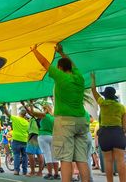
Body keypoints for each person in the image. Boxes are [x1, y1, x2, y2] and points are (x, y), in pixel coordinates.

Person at [31, 43, 89, 182]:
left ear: (60, 68)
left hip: (65, 122)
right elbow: (72, 64)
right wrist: (62, 53)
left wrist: (34, 51)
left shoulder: (61, 77)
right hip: (81, 121)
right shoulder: (79, 77)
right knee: (81, 158)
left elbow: (45, 63)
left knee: (65, 158)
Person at [91, 72, 126, 182]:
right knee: (121, 161)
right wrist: (123, 133)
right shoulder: (121, 107)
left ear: (105, 96)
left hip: (105, 133)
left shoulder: (102, 103)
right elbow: (125, 124)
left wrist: (93, 79)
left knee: (108, 161)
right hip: (117, 133)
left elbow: (93, 91)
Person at [22, 102, 60, 180]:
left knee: (47, 155)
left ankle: (50, 174)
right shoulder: (54, 117)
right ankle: (56, 174)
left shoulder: (44, 115)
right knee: (54, 156)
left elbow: (32, 112)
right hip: (53, 136)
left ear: (45, 109)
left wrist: (30, 104)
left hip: (43, 136)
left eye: (43, 109)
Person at [1, 104, 29, 176]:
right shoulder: (27, 122)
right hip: (25, 140)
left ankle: (16, 170)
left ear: (19, 113)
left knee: (16, 155)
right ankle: (25, 171)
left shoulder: (16, 118)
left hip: (16, 140)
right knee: (24, 156)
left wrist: (4, 107)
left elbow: (7, 114)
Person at [20, 101, 44, 177]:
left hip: (33, 136)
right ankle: (40, 172)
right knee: (39, 154)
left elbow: (30, 112)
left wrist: (24, 104)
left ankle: (32, 171)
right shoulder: (40, 116)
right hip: (39, 136)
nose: (29, 110)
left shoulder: (35, 115)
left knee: (30, 154)